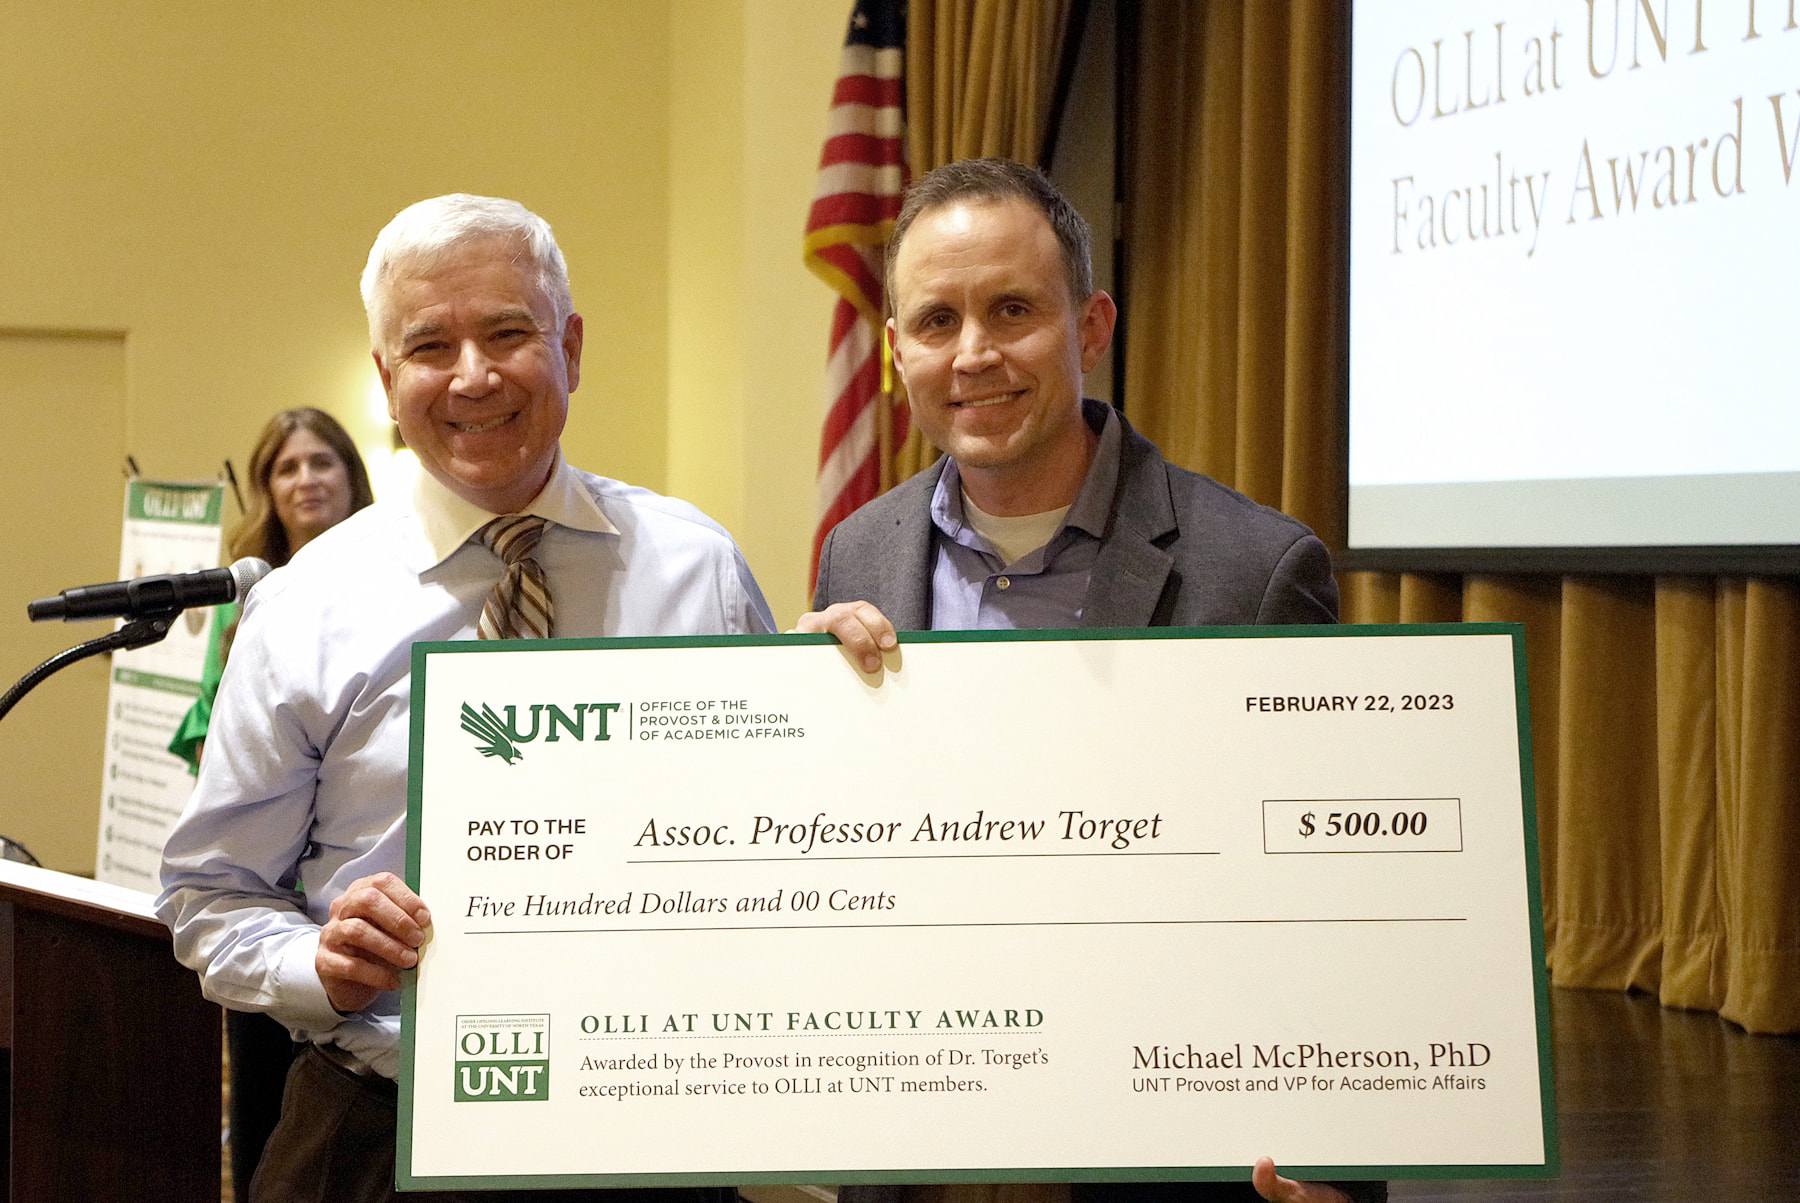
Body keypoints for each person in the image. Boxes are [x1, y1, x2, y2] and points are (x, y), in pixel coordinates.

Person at [158, 194, 798, 1203]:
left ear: (572, 349)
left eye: (509, 333)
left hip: (647, 1128)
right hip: (377, 1138)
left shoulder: (698, 571)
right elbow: (209, 901)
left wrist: (855, 702)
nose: (473, 376)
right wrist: (319, 962)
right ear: (385, 377)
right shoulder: (303, 605)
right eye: (429, 346)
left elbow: (786, 831)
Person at [799, 160, 1374, 1203]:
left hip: (1162, 1151)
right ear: (895, 352)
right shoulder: (858, 554)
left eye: (1012, 310)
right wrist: (800, 725)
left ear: (1092, 325)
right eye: (935, 321)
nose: (974, 354)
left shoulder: (1256, 570)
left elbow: (1333, 907)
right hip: (923, 1137)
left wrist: (1339, 1175)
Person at [166, 406, 375, 1203]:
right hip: (266, 902)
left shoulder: (401, 581)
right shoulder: (244, 598)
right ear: (266, 489)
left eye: (321, 462)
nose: (306, 479)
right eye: (287, 468)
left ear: (352, 475)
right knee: (266, 1102)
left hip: (359, 906)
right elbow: (207, 738)